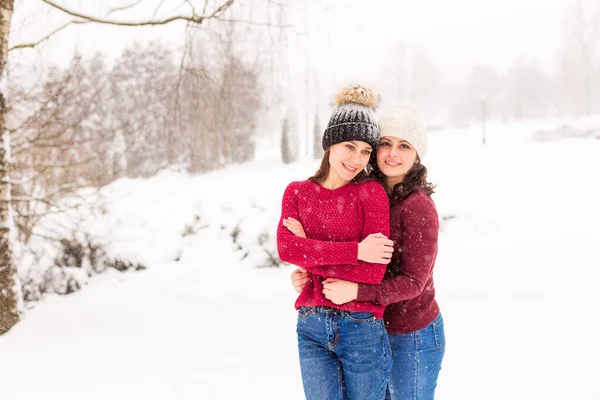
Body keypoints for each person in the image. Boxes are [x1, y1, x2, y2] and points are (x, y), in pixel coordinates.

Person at [289, 104, 445, 400]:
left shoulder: (417, 206)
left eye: (404, 146)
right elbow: (353, 253)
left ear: (416, 156)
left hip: (411, 333)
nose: (392, 153)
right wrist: (312, 274)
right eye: (385, 144)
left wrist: (356, 291)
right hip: (371, 327)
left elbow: (413, 282)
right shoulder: (368, 193)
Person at [277, 84, 395, 400]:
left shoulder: (371, 194)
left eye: (366, 151)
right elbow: (288, 249)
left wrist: (310, 252)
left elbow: (374, 273)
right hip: (311, 325)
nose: (357, 159)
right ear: (330, 144)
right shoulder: (297, 192)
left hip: (361, 326)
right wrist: (356, 251)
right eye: (349, 146)